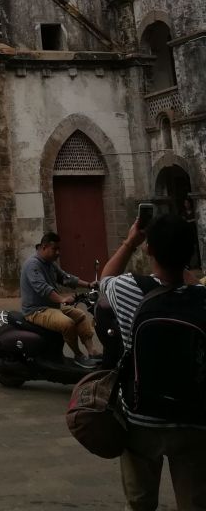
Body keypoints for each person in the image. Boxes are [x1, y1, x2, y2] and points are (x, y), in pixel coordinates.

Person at [100, 214, 206, 511]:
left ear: (149, 250)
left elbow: (104, 279)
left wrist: (130, 241)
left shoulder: (126, 289)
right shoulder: (202, 297)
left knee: (140, 502)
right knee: (196, 501)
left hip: (141, 418)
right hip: (193, 418)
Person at [20, 231, 98, 364]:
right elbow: (43, 288)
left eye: (59, 249)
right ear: (44, 247)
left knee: (80, 315)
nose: (58, 253)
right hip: (37, 310)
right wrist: (62, 299)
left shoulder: (49, 263)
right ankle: (78, 355)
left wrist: (89, 285)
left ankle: (92, 352)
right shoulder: (32, 265)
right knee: (67, 324)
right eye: (54, 249)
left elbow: (65, 278)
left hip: (52, 307)